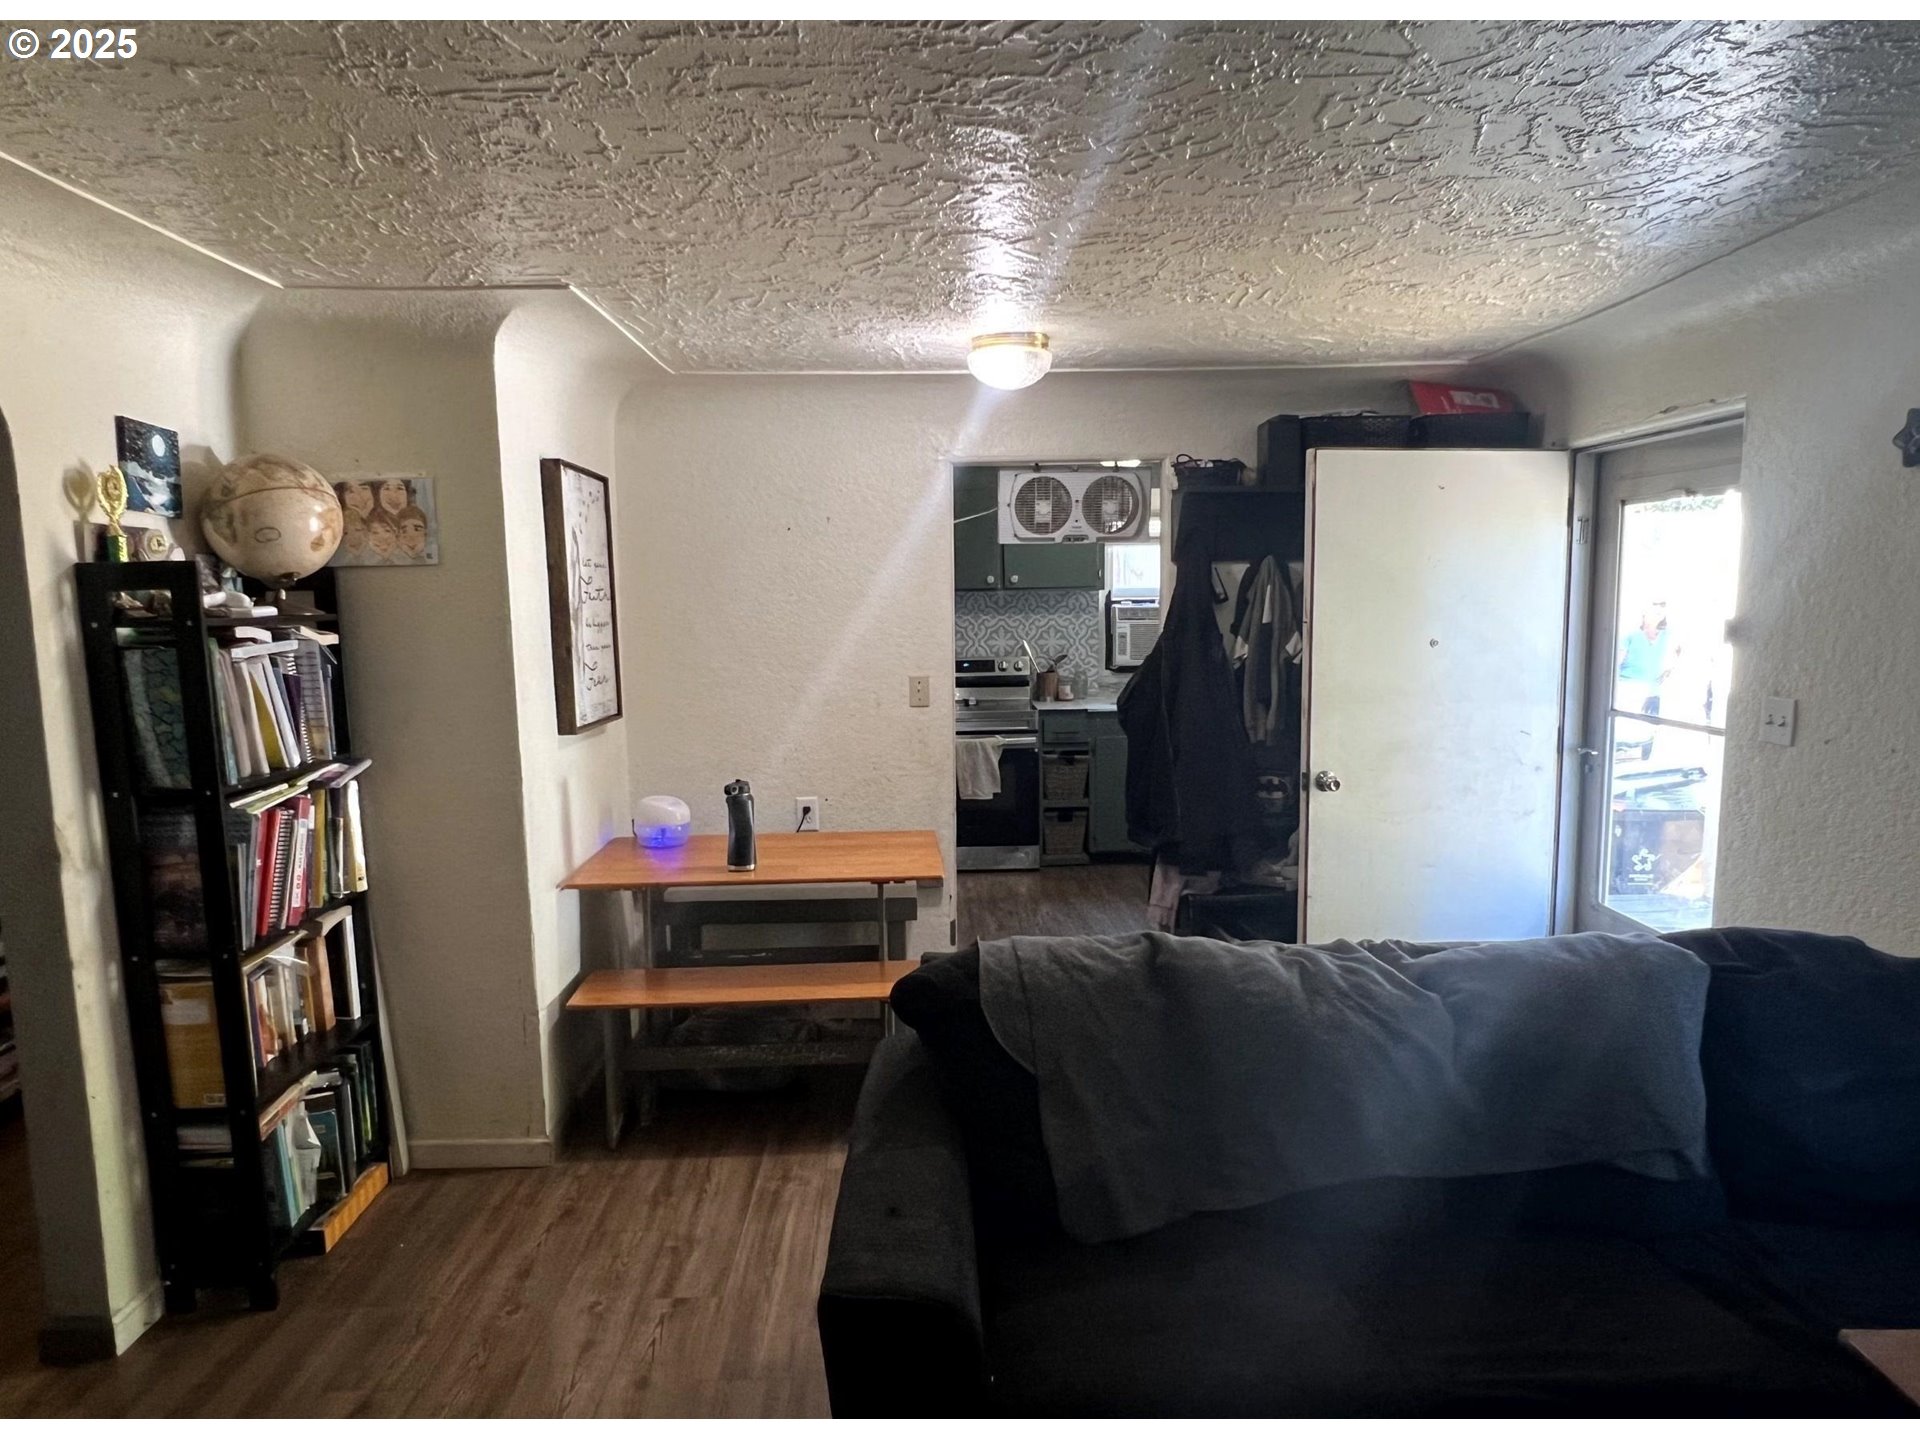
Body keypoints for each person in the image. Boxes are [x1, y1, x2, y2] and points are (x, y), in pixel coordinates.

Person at [1617, 600, 1673, 716]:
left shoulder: (1668, 634)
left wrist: (1669, 672)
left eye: (1662, 606)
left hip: (1653, 694)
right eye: (1655, 604)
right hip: (1628, 689)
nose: (1659, 609)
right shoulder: (1630, 634)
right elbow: (1615, 664)